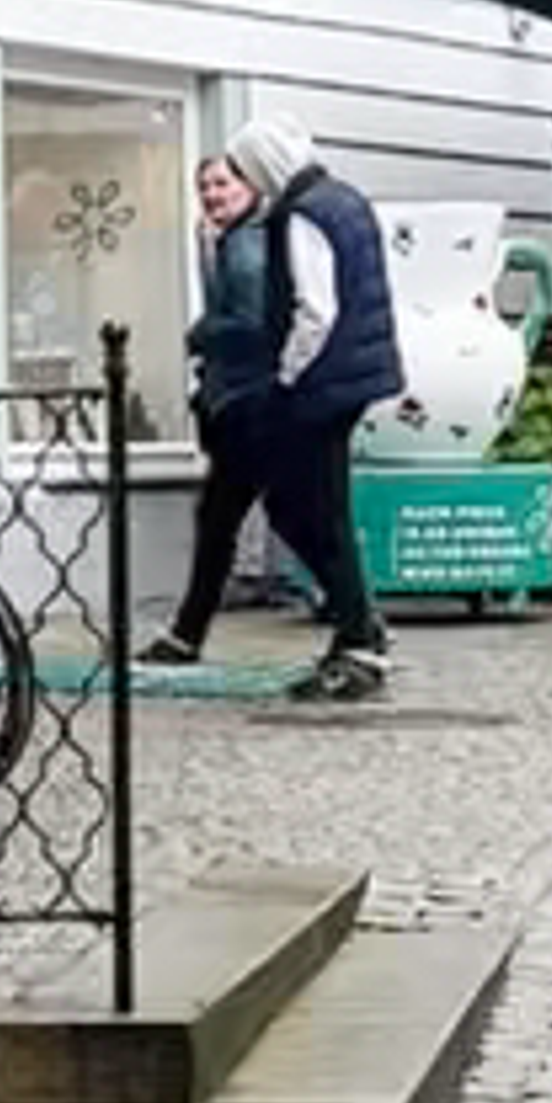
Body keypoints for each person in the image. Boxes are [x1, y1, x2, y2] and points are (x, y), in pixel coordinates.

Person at [145, 111, 398, 698]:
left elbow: (312, 312)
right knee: (296, 511)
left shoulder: (295, 218)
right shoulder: (344, 200)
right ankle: (356, 631)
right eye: (205, 185)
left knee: (305, 513)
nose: (216, 193)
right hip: (340, 381)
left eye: (233, 178)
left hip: (289, 392)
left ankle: (359, 637)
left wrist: (282, 376)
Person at [145, 151, 287, 673]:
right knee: (232, 520)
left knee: (257, 520)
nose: (211, 195)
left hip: (248, 406)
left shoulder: (245, 247)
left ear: (250, 189)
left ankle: (187, 633)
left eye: (222, 184)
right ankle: (187, 632)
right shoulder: (226, 240)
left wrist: (202, 334)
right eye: (204, 186)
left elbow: (251, 323)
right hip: (239, 403)